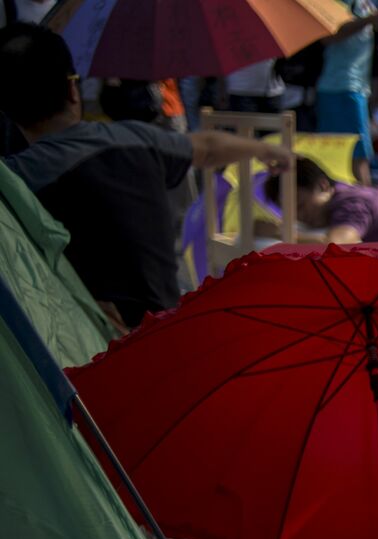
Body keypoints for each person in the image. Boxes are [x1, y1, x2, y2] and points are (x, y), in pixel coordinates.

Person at [0, 23, 294, 330]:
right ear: (72, 89)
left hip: (79, 345)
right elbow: (206, 147)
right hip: (164, 330)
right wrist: (265, 149)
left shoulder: (15, 185)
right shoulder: (133, 139)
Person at [317, 0, 378, 186]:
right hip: (341, 87)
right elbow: (329, 36)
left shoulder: (365, 4)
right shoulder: (337, 3)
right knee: (355, 157)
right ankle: (365, 207)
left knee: (357, 155)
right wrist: (372, 18)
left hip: (357, 88)